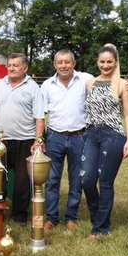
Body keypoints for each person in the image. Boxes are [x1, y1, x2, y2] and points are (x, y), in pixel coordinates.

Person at [79, 44, 128, 239]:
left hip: (113, 135)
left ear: (115, 62)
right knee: (86, 180)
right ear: (97, 62)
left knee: (106, 182)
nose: (106, 65)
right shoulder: (90, 84)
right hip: (92, 134)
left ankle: (101, 229)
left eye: (109, 61)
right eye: (102, 61)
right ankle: (99, 217)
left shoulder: (122, 84)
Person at [0, 53, 45, 226]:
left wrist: (37, 141)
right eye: (9, 65)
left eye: (16, 65)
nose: (11, 68)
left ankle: (19, 216)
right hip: (0, 141)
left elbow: (39, 117)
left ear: (25, 68)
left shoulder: (33, 87)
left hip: (25, 140)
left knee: (22, 181)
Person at [40, 49, 93, 233]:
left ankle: (71, 217)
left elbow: (106, 84)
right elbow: (40, 113)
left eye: (67, 62)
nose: (64, 65)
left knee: (76, 180)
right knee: (52, 179)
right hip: (55, 136)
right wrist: (40, 138)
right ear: (54, 65)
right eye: (60, 62)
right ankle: (51, 218)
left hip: (80, 136)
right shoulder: (47, 85)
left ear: (74, 63)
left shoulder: (86, 80)